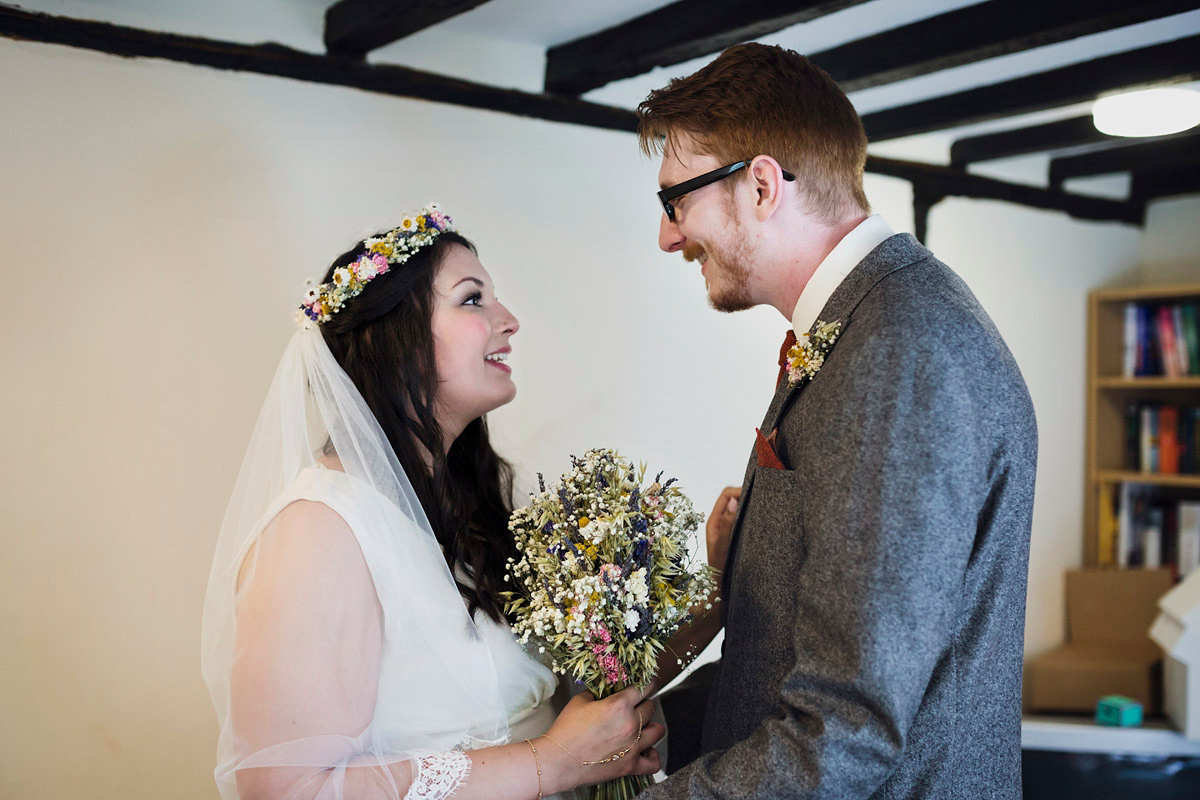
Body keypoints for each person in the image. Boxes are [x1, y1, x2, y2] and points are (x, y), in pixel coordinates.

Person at [636, 44, 1038, 798]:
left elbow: (846, 726)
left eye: (674, 202)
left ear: (759, 186)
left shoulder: (900, 349)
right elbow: (795, 659)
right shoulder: (866, 326)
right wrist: (642, 733)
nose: (667, 235)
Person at [200, 206, 664, 800]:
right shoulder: (319, 529)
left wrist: (718, 589)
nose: (510, 320)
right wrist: (552, 761)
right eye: (472, 299)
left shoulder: (472, 512)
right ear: (397, 340)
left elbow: (585, 697)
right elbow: (287, 790)